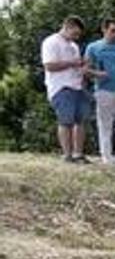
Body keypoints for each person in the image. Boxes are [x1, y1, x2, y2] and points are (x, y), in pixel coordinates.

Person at [40, 16, 98, 163]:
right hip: (61, 87)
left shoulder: (73, 46)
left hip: (78, 87)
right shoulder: (51, 42)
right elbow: (49, 66)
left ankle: (78, 154)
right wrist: (72, 63)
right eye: (75, 33)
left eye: (78, 35)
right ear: (67, 27)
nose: (76, 37)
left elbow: (76, 65)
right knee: (66, 121)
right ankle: (67, 155)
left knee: (81, 121)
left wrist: (84, 66)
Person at [85, 19, 115, 165]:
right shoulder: (93, 47)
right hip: (103, 90)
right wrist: (97, 74)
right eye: (112, 30)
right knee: (105, 124)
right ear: (104, 30)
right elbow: (86, 69)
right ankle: (106, 155)